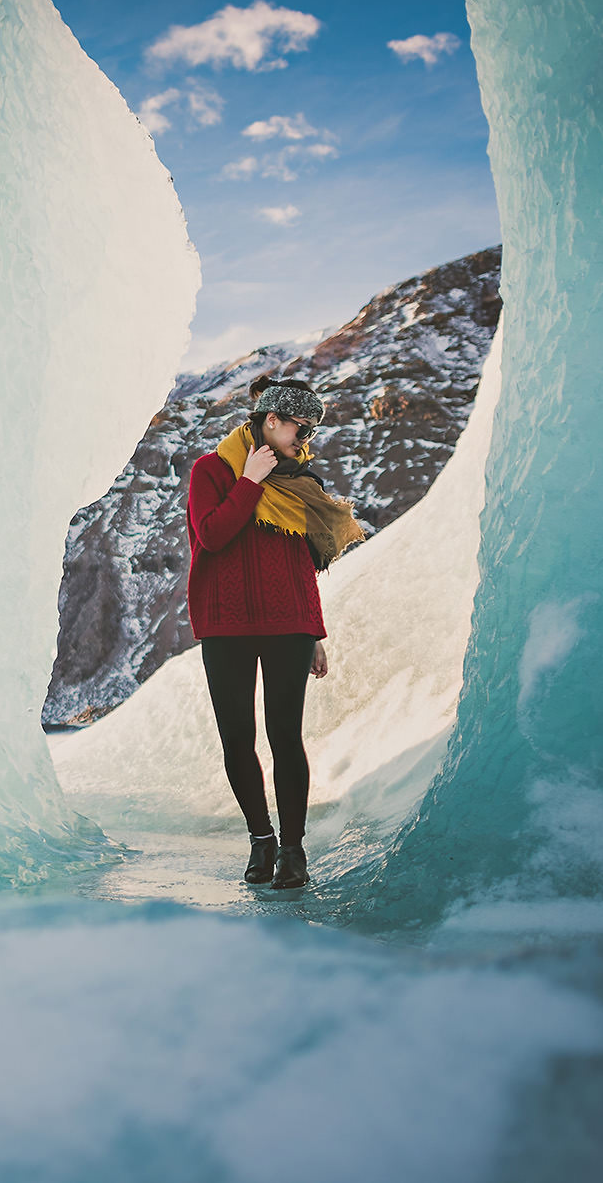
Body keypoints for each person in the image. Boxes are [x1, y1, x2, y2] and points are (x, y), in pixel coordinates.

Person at [184, 376, 365, 890]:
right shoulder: (213, 469)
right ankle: (260, 841)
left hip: (289, 624)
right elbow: (212, 535)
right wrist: (250, 480)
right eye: (298, 427)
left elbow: (300, 562)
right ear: (269, 420)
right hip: (226, 623)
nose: (303, 438)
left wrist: (316, 631)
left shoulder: (301, 481)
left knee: (286, 736)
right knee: (237, 736)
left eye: (309, 429)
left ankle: (293, 850)